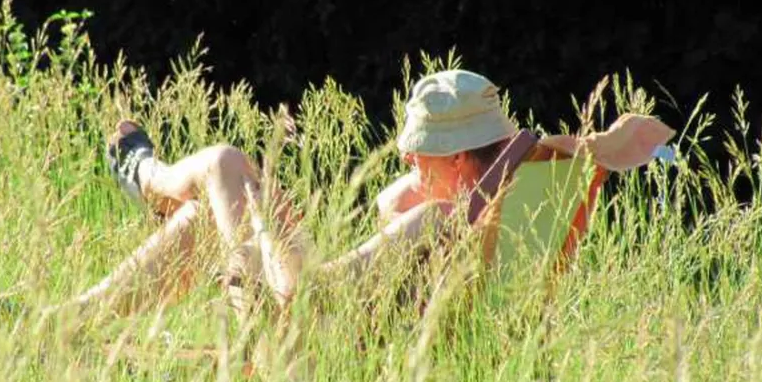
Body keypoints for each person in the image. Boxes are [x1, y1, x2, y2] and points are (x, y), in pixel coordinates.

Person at [66, 69, 519, 315]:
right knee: (201, 215)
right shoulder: (505, 209)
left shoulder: (440, 217)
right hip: (303, 314)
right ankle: (74, 318)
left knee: (224, 162)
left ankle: (147, 177)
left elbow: (306, 293)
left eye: (420, 152)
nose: (407, 159)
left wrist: (267, 223)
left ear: (458, 157)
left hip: (293, 330)